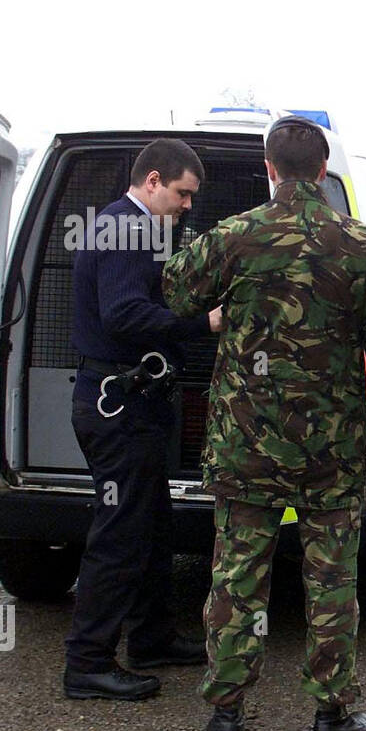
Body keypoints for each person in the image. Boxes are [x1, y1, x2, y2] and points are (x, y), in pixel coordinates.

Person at [161, 115, 366, 731]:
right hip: (328, 449)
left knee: (236, 575)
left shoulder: (234, 235)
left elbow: (175, 293)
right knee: (331, 576)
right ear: (324, 172)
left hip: (244, 444)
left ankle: (226, 716)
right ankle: (331, 718)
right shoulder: (360, 244)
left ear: (269, 170)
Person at [64, 139, 222, 701]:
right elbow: (126, 314)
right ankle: (87, 663)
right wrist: (205, 322)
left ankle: (152, 639)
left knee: (153, 526)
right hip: (118, 406)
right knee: (119, 535)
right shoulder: (126, 228)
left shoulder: (130, 227)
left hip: (135, 402)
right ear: (152, 180)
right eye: (181, 193)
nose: (186, 206)